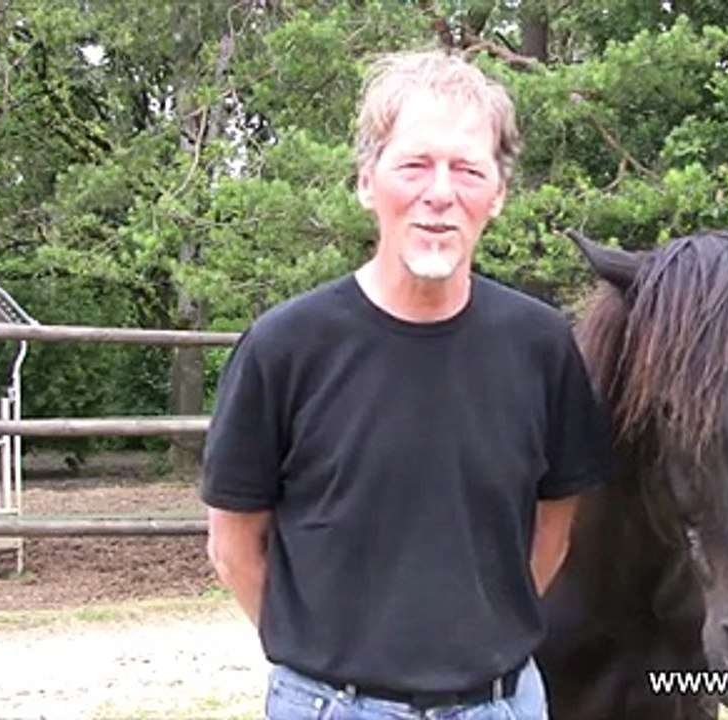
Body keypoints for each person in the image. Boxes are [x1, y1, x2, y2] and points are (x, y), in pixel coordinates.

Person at [200, 49, 616, 720]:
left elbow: (553, 531)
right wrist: (332, 667)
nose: (440, 194)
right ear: (367, 182)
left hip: (502, 706)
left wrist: (477, 650)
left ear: (498, 194)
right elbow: (232, 546)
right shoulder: (284, 348)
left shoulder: (542, 348)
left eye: (468, 170)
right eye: (414, 164)